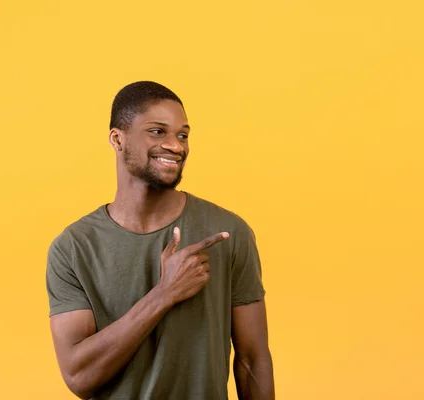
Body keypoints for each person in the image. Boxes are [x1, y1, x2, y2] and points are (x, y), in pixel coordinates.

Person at [46, 81, 274, 400]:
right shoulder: (73, 248)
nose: (176, 146)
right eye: (157, 131)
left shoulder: (228, 231)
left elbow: (252, 359)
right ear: (117, 139)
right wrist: (163, 295)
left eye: (183, 135)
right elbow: (80, 377)